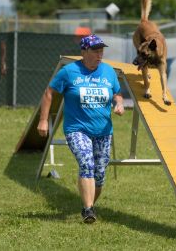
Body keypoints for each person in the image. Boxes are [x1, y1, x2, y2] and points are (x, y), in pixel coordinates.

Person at [37, 34, 124, 223]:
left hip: (103, 131)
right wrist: (43, 120)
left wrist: (119, 103)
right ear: (84, 52)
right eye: (95, 50)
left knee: (99, 175)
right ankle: (88, 210)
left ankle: (89, 203)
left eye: (101, 50)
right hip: (77, 129)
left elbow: (117, 93)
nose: (99, 54)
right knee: (86, 163)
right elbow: (49, 93)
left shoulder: (109, 72)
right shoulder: (69, 72)